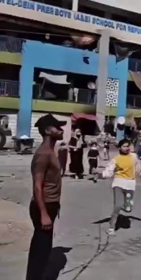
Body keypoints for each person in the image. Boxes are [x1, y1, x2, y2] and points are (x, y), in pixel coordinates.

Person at [26, 114, 66, 280]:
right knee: (40, 252)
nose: (61, 130)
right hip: (44, 206)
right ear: (48, 130)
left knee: (43, 250)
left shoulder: (51, 151)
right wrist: (43, 214)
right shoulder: (43, 154)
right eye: (58, 127)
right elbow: (37, 185)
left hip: (50, 205)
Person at [99, 139, 141, 236]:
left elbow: (140, 169)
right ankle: (112, 227)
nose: (127, 148)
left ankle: (122, 209)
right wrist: (100, 175)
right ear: (119, 148)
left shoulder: (134, 157)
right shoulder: (116, 159)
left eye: (128, 146)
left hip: (130, 184)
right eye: (124, 146)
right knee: (117, 205)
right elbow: (109, 171)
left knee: (128, 209)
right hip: (118, 183)